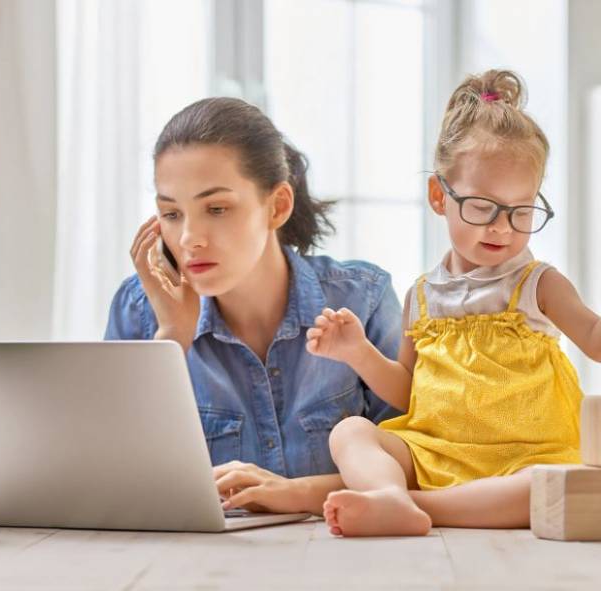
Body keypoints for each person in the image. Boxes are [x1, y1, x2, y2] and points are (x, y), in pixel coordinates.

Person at [306, 69, 601, 537]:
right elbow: (410, 393)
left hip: (526, 457)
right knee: (350, 433)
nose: (502, 228)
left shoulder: (538, 283)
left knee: (555, 485)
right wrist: (358, 352)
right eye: (483, 208)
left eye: (521, 211)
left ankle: (410, 505)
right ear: (438, 196)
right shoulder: (421, 297)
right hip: (434, 452)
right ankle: (393, 497)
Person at [105, 97, 402, 515]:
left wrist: (294, 493)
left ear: (277, 205)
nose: (189, 237)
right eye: (171, 214)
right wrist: (171, 340)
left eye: (217, 208)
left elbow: (423, 460)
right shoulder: (139, 311)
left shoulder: (361, 298)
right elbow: (114, 481)